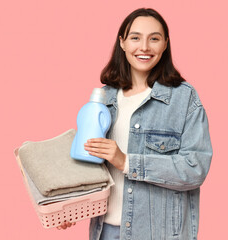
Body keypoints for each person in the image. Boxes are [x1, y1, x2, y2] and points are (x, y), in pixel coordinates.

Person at [58, 8, 213, 240]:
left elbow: (195, 168)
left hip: (157, 234)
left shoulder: (184, 99)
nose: (144, 47)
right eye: (135, 37)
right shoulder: (104, 100)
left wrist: (127, 162)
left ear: (165, 44)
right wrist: (72, 204)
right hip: (105, 231)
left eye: (154, 39)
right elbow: (90, 164)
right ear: (122, 43)